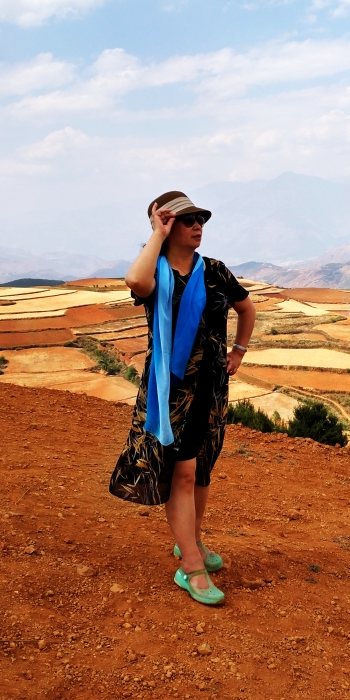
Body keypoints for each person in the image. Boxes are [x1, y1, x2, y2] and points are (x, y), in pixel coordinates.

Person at [110, 190, 256, 606]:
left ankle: (190, 540)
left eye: (200, 219)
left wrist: (238, 351)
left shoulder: (214, 271)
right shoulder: (153, 272)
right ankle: (190, 565)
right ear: (167, 225)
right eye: (187, 219)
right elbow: (135, 283)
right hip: (170, 390)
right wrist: (157, 233)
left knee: (203, 469)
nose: (197, 226)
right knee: (184, 474)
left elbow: (248, 310)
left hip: (211, 386)